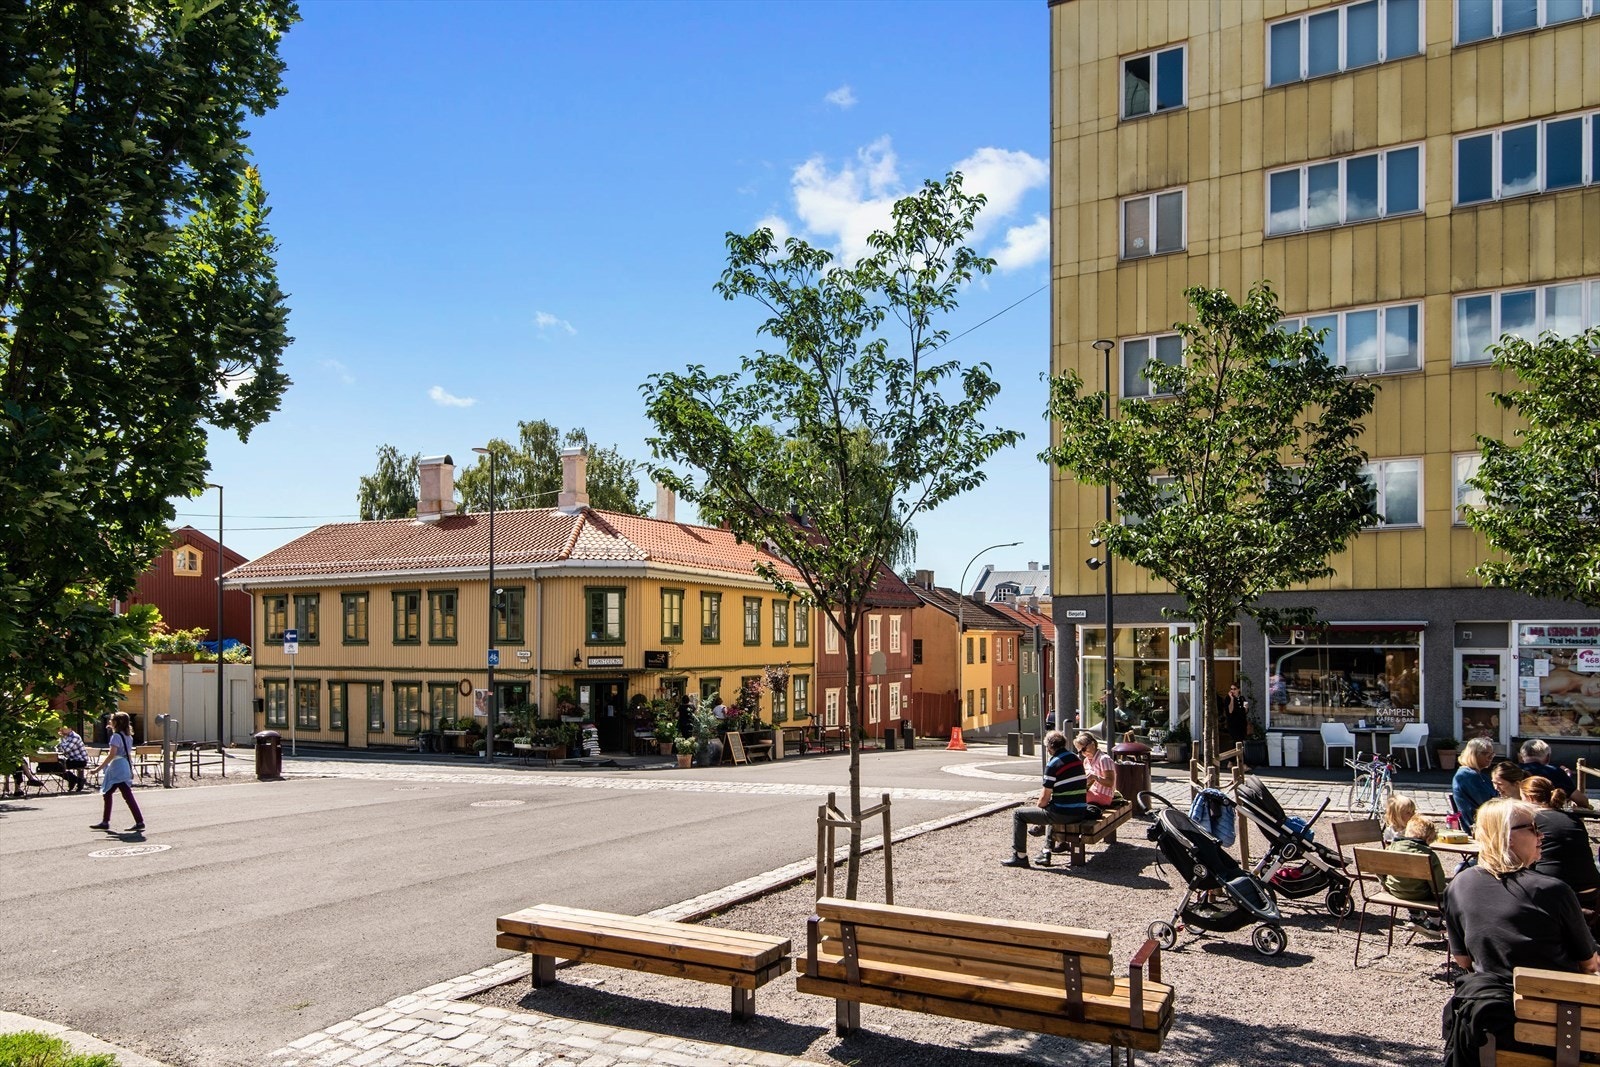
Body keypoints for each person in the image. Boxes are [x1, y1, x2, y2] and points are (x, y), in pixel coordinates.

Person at [1444, 797, 1600, 977]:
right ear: (1508, 836)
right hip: (1553, 1001)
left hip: (1489, 997)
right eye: (1533, 828)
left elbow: (1463, 960)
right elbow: (1589, 964)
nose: (1541, 835)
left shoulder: (1458, 884)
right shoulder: (1553, 890)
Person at [1001, 730, 1086, 869]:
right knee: (1051, 809)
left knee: (1019, 814)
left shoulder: (1053, 764)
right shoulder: (1076, 758)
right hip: (1080, 811)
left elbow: (1043, 800)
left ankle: (1020, 856)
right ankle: (1045, 851)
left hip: (1064, 813)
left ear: (1049, 747)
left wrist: (1039, 809)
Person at [1520, 776, 1600, 905]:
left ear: (1529, 798)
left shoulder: (1531, 821)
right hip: (1590, 887)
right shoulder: (1573, 818)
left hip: (1553, 889)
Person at [1384, 814, 1447, 930]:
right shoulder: (1428, 855)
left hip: (1396, 890)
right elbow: (1437, 882)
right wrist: (1442, 894)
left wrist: (1386, 885)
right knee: (1437, 892)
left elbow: (1380, 869)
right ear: (1428, 839)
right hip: (1419, 894)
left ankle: (1415, 916)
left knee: (1410, 882)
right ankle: (1435, 923)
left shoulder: (1392, 848)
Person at [91, 711, 144, 833]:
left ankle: (106, 822)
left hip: (117, 767)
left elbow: (111, 755)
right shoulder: (128, 736)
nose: (110, 722)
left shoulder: (116, 737)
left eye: (111, 720)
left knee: (110, 793)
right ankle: (138, 820)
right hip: (125, 765)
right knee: (123, 794)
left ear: (116, 722)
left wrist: (98, 769)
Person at [1452, 737, 1496, 835]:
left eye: (1492, 754)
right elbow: (1487, 803)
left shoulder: (1478, 774)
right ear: (1473, 754)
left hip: (1484, 820)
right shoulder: (1468, 775)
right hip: (1477, 825)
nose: (1490, 757)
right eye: (1485, 754)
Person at [1074, 731, 1116, 811]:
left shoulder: (1104, 759)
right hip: (1092, 793)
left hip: (1103, 795)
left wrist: (1095, 777)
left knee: (1071, 798)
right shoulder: (1086, 761)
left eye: (1084, 749)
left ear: (1093, 744)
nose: (1083, 753)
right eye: (1080, 751)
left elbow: (1110, 782)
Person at [54, 723, 89, 793]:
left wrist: (59, 745)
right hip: (71, 759)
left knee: (56, 767)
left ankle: (74, 779)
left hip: (80, 760)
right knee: (51, 766)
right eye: (61, 728)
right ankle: (75, 779)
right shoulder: (64, 737)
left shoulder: (75, 737)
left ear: (70, 729)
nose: (61, 730)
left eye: (64, 728)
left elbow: (66, 750)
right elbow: (58, 748)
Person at [1218, 683, 1250, 748]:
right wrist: (1232, 699)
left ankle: (1241, 756)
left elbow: (1245, 711)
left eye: (1234, 689)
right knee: (1235, 740)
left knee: (1242, 740)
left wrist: (1246, 708)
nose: (1232, 691)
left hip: (1242, 723)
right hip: (1233, 724)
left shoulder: (1242, 698)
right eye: (1231, 689)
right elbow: (1230, 711)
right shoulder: (1228, 698)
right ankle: (1234, 757)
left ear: (1238, 690)